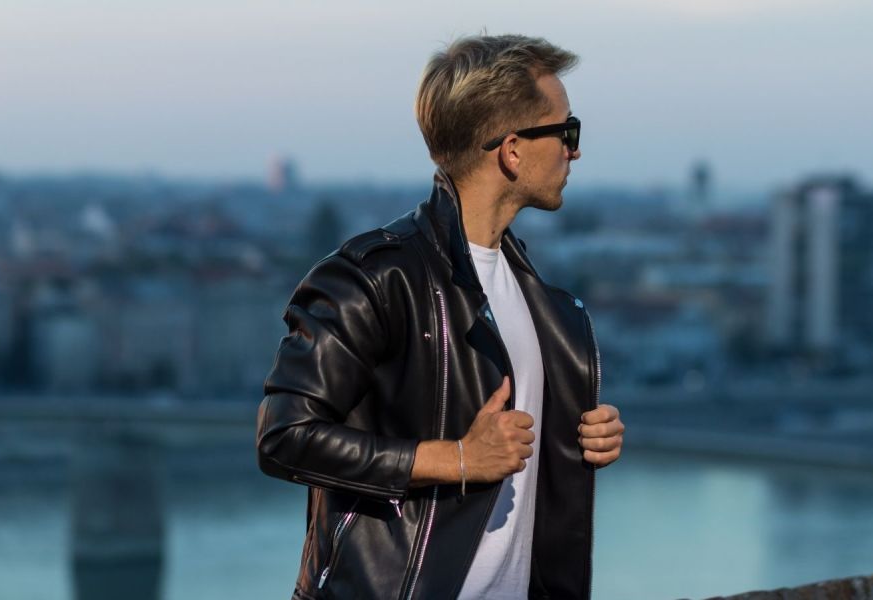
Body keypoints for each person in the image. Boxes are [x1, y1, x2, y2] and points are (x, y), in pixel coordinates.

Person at [257, 34, 625, 600]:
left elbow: (515, 456)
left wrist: (582, 436)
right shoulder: (374, 277)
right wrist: (455, 459)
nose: (574, 150)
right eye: (566, 131)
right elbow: (284, 436)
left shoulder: (539, 297)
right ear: (512, 150)